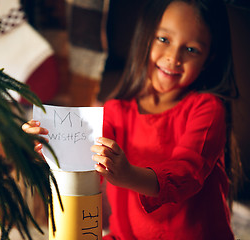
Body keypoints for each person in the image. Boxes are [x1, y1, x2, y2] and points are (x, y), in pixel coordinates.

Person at [23, 0, 240, 239]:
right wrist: (49, 144)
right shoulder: (116, 110)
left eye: (191, 50)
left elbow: (187, 172)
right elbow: (83, 152)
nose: (173, 58)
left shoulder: (207, 109)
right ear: (146, 38)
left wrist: (128, 175)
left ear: (209, 58)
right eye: (164, 39)